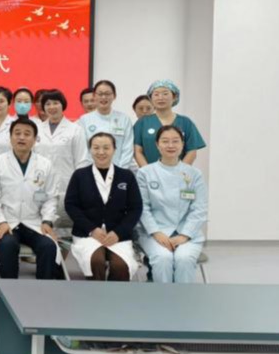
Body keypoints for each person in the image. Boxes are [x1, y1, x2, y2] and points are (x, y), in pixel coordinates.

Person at [0, 118, 60, 280]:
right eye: (17, 133)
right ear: (10, 137)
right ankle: (9, 291)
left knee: (48, 246)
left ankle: (45, 289)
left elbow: (51, 197)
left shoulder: (45, 164)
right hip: (7, 222)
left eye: (27, 134)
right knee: (7, 244)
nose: (21, 137)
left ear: (35, 139)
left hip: (34, 222)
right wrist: (0, 221)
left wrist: (47, 221)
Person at [65, 133, 142, 281]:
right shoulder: (79, 175)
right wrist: (92, 229)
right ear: (90, 150)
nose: (101, 152)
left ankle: (115, 296)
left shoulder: (126, 176)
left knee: (120, 266)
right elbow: (71, 205)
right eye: (96, 148)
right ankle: (96, 294)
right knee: (96, 261)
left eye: (106, 148)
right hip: (87, 234)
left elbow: (135, 208)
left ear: (114, 150)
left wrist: (118, 232)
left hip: (118, 235)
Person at [136, 126, 208, 284]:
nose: (170, 145)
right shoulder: (145, 173)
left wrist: (185, 235)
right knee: (162, 258)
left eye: (175, 141)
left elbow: (199, 209)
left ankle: (183, 298)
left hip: (187, 233)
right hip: (154, 232)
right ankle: (163, 298)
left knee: (184, 258)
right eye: (165, 141)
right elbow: (143, 208)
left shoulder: (194, 174)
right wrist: (156, 233)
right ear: (157, 145)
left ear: (182, 145)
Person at [33, 90, 91, 233]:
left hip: (66, 185)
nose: (52, 107)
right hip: (40, 185)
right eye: (48, 104)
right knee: (40, 226)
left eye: (55, 103)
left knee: (65, 227)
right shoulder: (36, 129)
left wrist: (79, 187)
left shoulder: (75, 130)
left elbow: (82, 160)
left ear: (63, 105)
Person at [134, 80, 206, 167]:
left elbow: (192, 151)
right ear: (151, 98)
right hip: (149, 173)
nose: (160, 98)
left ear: (174, 97)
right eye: (156, 94)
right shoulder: (142, 123)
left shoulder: (186, 122)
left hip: (179, 173)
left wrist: (180, 172)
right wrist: (148, 172)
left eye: (165, 94)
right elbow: (137, 151)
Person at [78, 80, 134, 169]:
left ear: (114, 96)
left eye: (107, 94)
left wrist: (120, 171)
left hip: (119, 169)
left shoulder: (124, 119)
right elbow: (83, 150)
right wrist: (92, 171)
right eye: (100, 94)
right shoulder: (84, 120)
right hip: (92, 170)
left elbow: (128, 148)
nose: (103, 97)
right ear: (94, 96)